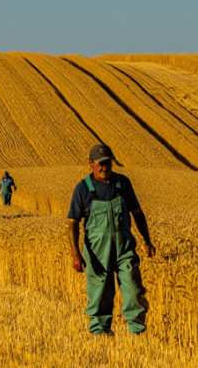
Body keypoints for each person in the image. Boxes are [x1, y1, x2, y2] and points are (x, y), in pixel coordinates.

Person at [66, 143, 156, 336]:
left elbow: (137, 213)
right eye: (100, 163)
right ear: (91, 163)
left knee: (133, 289)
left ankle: (137, 332)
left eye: (107, 162)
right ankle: (100, 332)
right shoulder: (83, 189)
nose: (104, 167)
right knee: (99, 293)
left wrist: (147, 241)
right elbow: (72, 222)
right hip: (97, 253)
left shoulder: (123, 183)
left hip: (124, 249)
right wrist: (75, 254)